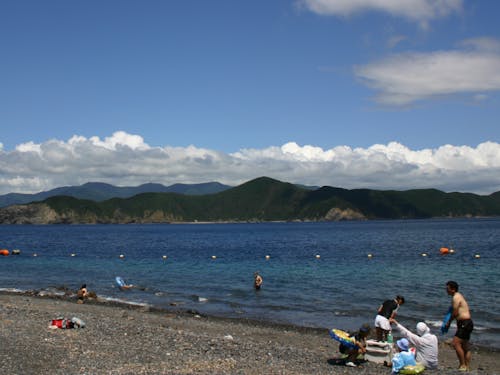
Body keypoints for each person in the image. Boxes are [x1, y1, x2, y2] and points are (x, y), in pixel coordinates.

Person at [446, 280, 473, 372]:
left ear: (453, 289)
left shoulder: (456, 297)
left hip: (465, 323)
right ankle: (467, 366)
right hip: (467, 323)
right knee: (465, 345)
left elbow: (455, 312)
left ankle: (462, 365)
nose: (446, 290)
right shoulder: (458, 296)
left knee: (455, 343)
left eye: (448, 288)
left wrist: (448, 322)